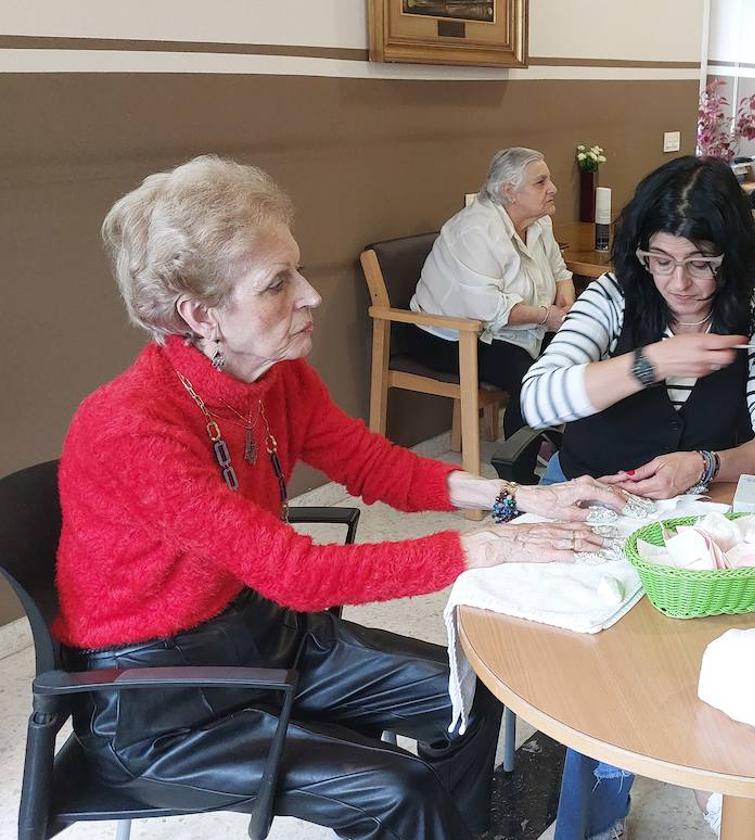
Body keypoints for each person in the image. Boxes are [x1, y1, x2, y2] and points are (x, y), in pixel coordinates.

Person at [56, 155, 626, 840]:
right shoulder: (131, 427)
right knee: (399, 790)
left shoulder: (276, 378)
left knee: (473, 690)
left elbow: (373, 465)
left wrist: (518, 501)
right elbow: (298, 573)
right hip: (159, 703)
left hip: (263, 637)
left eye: (297, 269)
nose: (311, 295)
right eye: (277, 284)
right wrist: (481, 549)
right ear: (200, 315)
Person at [520, 156, 755, 839]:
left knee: (726, 636)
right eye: (661, 259)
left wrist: (707, 463)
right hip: (593, 499)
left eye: (701, 263)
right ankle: (593, 819)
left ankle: (724, 783)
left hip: (691, 514)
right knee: (605, 662)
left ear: (731, 257)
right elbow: (537, 398)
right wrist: (650, 363)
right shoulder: (616, 297)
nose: (679, 283)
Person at [408, 147, 575, 438]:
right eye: (541, 182)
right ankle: (520, 468)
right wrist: (548, 317)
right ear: (510, 191)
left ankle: (562, 444)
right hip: (450, 335)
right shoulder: (476, 230)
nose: (553, 188)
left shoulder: (539, 222)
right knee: (530, 379)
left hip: (514, 327)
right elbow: (491, 309)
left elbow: (560, 273)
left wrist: (566, 303)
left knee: (581, 349)